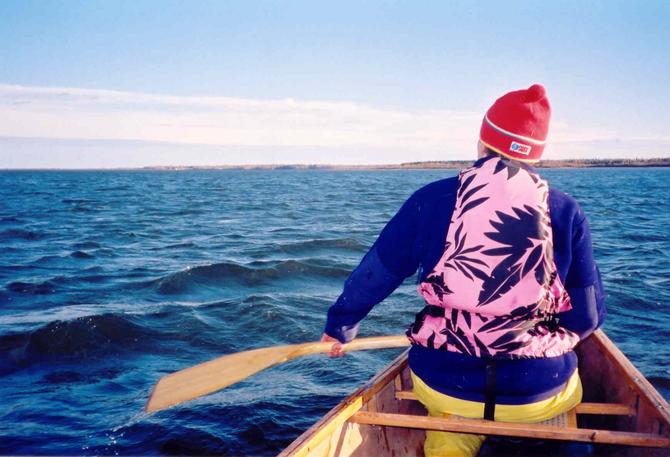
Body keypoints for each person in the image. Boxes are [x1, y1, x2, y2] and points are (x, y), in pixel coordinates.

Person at [320, 84, 606, 457]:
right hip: (536, 392)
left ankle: (450, 442)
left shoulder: (433, 198)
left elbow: (376, 275)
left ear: (483, 139)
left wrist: (340, 327)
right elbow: (587, 317)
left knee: (449, 423)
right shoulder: (566, 211)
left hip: (445, 382)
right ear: (537, 153)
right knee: (556, 412)